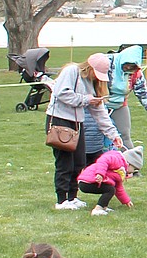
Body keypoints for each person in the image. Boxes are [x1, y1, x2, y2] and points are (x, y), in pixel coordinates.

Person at [47, 53, 123, 210]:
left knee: (79, 161)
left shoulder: (92, 83)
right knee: (65, 162)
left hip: (77, 123)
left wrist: (113, 134)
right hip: (60, 120)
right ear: (89, 68)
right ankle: (61, 200)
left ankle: (72, 196)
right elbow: (61, 94)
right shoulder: (71, 71)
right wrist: (86, 99)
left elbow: (99, 112)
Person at [104, 46, 147, 151]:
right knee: (97, 137)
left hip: (119, 105)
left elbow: (144, 94)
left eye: (132, 67)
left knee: (124, 135)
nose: (128, 69)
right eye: (127, 66)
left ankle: (130, 164)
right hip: (98, 105)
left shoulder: (136, 74)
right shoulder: (107, 64)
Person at [77, 149, 133, 216]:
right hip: (87, 181)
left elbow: (119, 188)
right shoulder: (118, 161)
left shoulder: (120, 172)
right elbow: (103, 160)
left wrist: (126, 201)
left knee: (111, 189)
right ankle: (98, 209)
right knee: (110, 189)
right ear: (129, 164)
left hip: (90, 181)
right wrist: (100, 173)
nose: (132, 173)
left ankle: (104, 207)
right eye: (134, 169)